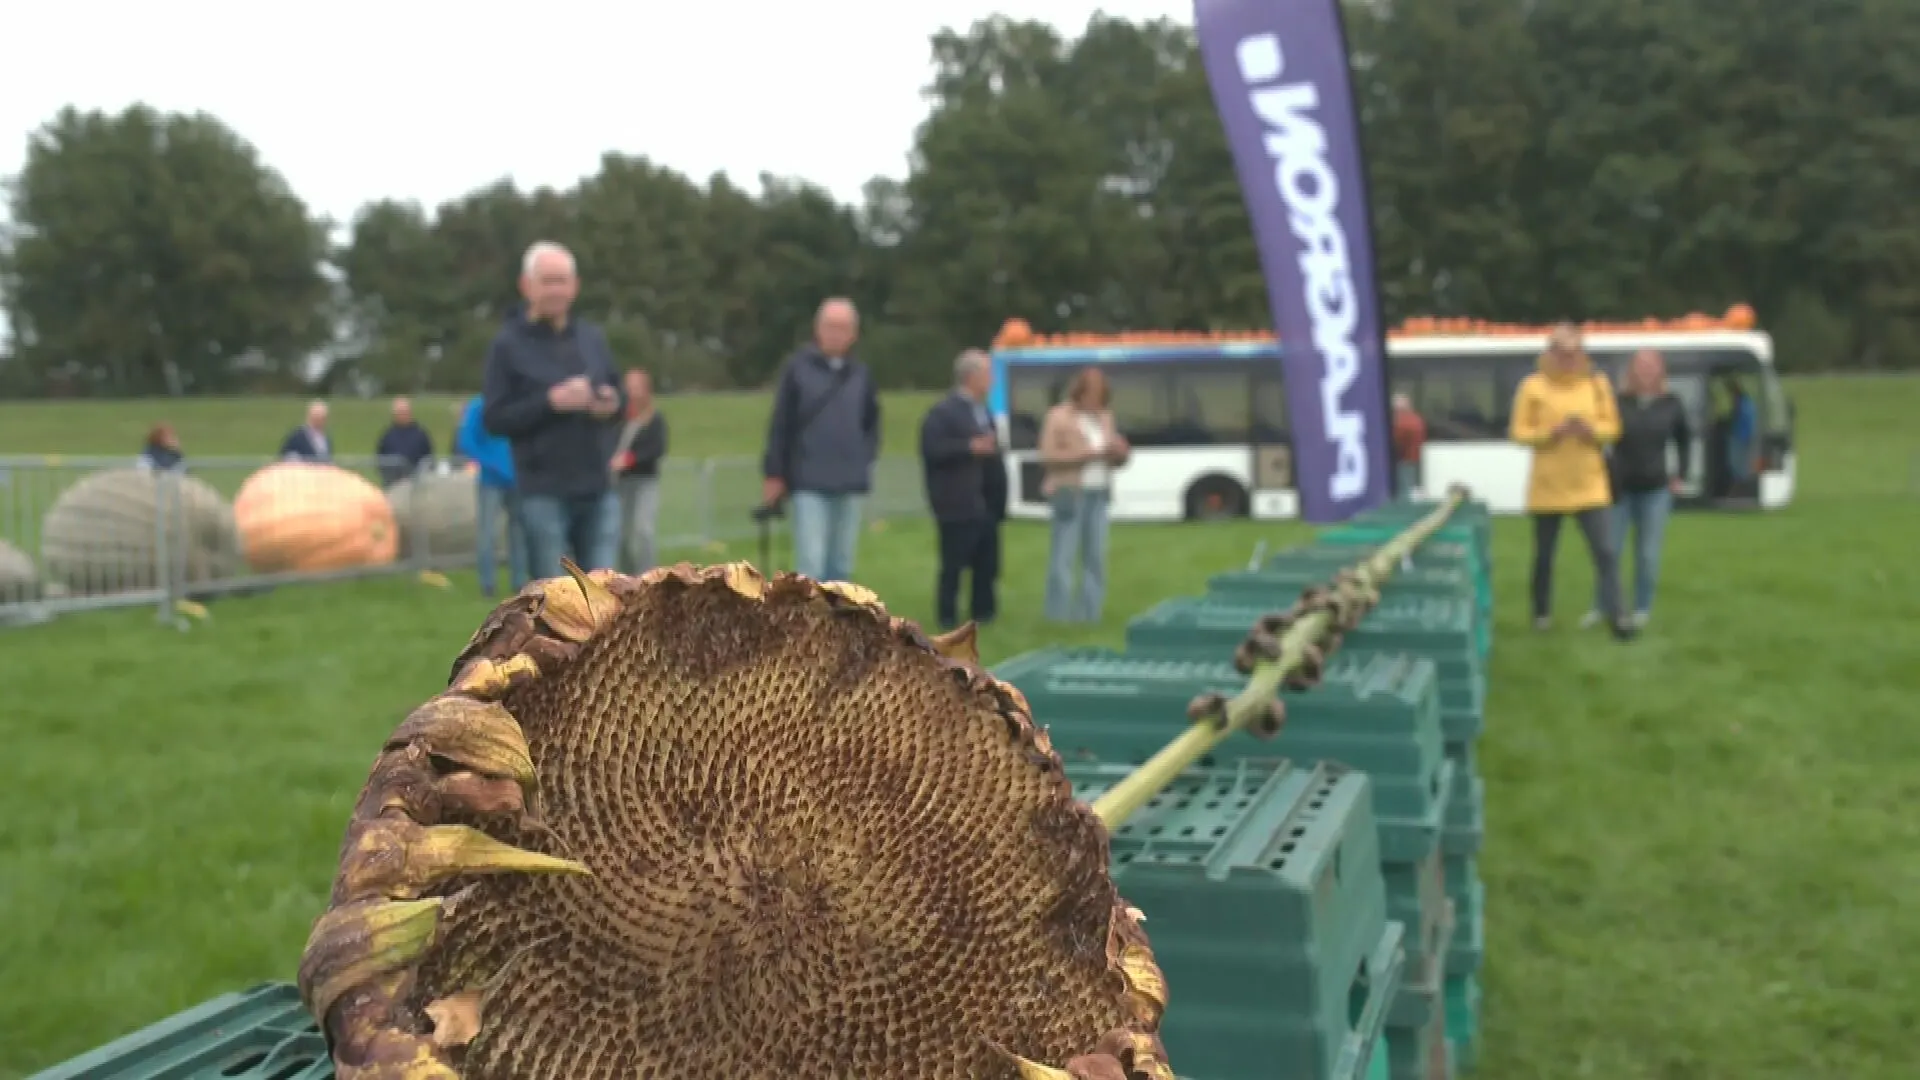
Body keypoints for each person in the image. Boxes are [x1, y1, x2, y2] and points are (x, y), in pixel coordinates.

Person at [481, 241, 626, 577]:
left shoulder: (592, 339)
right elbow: (495, 418)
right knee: (556, 602)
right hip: (542, 492)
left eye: (562, 280)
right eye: (547, 281)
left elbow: (618, 396)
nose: (556, 290)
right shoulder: (507, 346)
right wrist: (550, 403)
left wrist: (609, 403)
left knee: (606, 597)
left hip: (597, 488)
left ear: (575, 286)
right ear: (526, 286)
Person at [1507, 323, 1633, 640]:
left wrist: (1591, 431)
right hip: (1548, 485)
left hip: (1589, 483)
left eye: (1574, 353)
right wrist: (1552, 434)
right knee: (1545, 555)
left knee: (1605, 552)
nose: (1568, 360)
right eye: (1562, 353)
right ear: (1550, 353)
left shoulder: (1596, 384)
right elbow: (1518, 434)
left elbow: (1613, 428)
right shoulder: (1532, 386)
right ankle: (1541, 614)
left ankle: (1619, 617)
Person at [758, 298, 881, 583]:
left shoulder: (861, 374)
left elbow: (872, 421)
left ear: (853, 333)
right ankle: (809, 624)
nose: (836, 333)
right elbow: (781, 423)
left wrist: (864, 457)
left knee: (841, 564)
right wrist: (774, 473)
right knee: (811, 564)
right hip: (808, 479)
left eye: (843, 327)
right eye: (830, 326)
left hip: (849, 480)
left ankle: (838, 625)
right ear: (818, 329)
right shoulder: (797, 369)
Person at [1583, 349, 1690, 630]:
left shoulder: (1672, 404)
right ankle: (1603, 607)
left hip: (1655, 490)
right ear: (1631, 371)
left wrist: (1681, 475)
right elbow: (1601, 437)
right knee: (1609, 551)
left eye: (1651, 365)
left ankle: (1642, 607)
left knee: (1647, 553)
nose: (1646, 371)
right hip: (1619, 490)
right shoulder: (1617, 402)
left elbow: (1684, 439)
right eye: (1640, 365)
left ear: (1660, 371)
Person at [919, 349, 1005, 630]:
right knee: (954, 564)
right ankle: (947, 617)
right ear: (971, 376)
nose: (992, 380)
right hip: (956, 502)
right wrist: (968, 448)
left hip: (985, 501)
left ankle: (984, 614)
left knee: (986, 564)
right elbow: (932, 450)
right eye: (987, 374)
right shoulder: (942, 413)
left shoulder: (985, 412)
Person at [1039, 366, 1130, 623]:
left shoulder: (1105, 417)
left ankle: (1089, 615)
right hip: (1070, 492)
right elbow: (1048, 457)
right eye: (1092, 393)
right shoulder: (1058, 416)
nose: (1096, 400)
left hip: (1099, 493)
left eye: (1100, 395)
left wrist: (1120, 453)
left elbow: (1112, 459)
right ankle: (1057, 616)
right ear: (1079, 392)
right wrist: (1088, 455)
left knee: (1096, 557)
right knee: (1063, 558)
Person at [456, 392, 528, 597]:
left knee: (519, 533)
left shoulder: (518, 402)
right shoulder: (480, 406)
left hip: (518, 479)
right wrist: (493, 465)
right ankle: (488, 585)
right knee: (488, 534)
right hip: (491, 481)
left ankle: (519, 583)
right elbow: (466, 441)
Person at [609, 367, 669, 575]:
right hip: (620, 483)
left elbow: (657, 449)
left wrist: (629, 459)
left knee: (643, 530)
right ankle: (628, 578)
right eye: (628, 387)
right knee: (621, 534)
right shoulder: (618, 418)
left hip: (645, 481)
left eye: (636, 387)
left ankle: (648, 577)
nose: (632, 392)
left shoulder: (654, 419)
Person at [375, 395, 434, 487]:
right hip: (393, 483)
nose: (403, 415)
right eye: (400, 412)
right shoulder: (387, 435)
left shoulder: (421, 435)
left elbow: (429, 458)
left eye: (405, 412)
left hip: (415, 485)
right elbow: (380, 458)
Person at [1391, 392, 1426, 495]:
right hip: (1415, 459)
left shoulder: (1402, 420)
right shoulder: (1417, 419)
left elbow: (1397, 440)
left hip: (1403, 460)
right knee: (1412, 487)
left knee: (1404, 490)